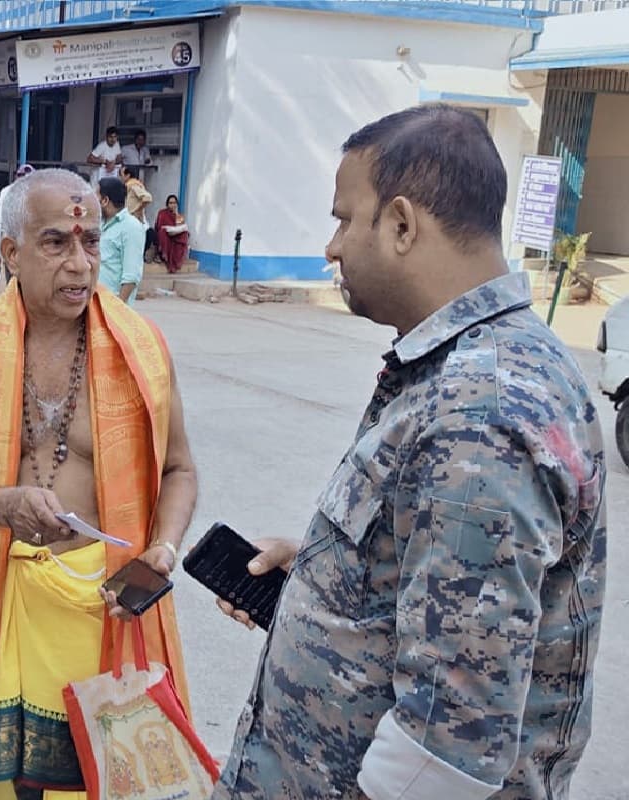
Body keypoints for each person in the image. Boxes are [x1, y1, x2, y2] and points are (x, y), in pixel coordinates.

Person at [213, 105, 607, 800]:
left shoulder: (480, 409)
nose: (331, 246)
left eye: (343, 218)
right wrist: (325, 576)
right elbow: (444, 588)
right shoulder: (463, 368)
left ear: (400, 224)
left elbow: (449, 743)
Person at [0, 168, 197, 799]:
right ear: (10, 253)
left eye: (90, 242)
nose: (79, 264)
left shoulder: (143, 350)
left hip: (109, 613)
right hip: (5, 609)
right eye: (55, 243)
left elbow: (178, 470)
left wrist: (164, 549)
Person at [97, 177, 146, 305]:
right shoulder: (99, 224)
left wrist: (119, 308)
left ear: (105, 200)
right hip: (94, 302)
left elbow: (131, 274)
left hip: (112, 306)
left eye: (95, 196)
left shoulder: (131, 227)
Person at [0, 163, 35, 284]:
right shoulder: (36, 195)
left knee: (14, 289)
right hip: (27, 251)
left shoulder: (7, 192)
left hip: (14, 250)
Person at [119, 165, 154, 259]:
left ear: (128, 175)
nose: (120, 177)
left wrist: (137, 210)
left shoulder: (133, 185)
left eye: (121, 174)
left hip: (133, 220)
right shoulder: (128, 186)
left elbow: (147, 198)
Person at [154, 195, 189, 274]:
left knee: (185, 234)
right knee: (162, 232)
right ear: (167, 204)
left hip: (175, 237)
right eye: (170, 203)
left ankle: (176, 259)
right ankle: (163, 255)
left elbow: (180, 228)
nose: (173, 205)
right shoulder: (162, 213)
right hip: (165, 236)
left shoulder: (179, 216)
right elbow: (159, 226)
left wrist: (176, 214)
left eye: (174, 203)